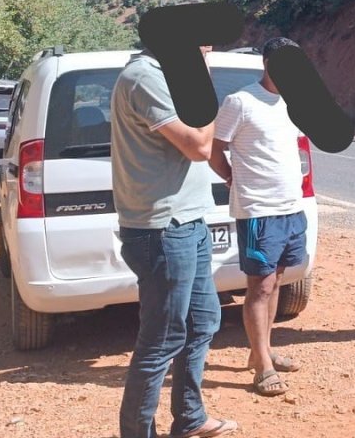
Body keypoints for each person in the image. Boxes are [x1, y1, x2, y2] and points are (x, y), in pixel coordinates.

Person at [111, 45, 237, 438]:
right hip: (162, 229)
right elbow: (199, 146)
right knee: (162, 339)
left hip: (188, 221)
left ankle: (190, 417)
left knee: (203, 321)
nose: (207, 52)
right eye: (202, 44)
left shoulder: (165, 75)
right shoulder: (145, 77)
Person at [208, 37, 307, 397]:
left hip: (290, 207)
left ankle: (261, 351)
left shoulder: (292, 102)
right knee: (260, 286)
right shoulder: (241, 102)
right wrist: (232, 177)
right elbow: (214, 150)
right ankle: (263, 366)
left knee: (278, 281)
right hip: (258, 211)